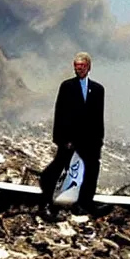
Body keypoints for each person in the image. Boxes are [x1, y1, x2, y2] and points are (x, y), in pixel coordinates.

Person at [40, 52, 106, 216]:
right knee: (58, 167)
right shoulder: (67, 86)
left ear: (88, 67)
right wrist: (61, 138)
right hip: (70, 139)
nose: (79, 69)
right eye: (76, 66)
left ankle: (85, 204)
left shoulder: (98, 89)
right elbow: (60, 113)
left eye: (82, 66)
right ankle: (46, 203)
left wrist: (99, 139)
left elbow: (99, 116)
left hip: (90, 140)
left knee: (92, 171)